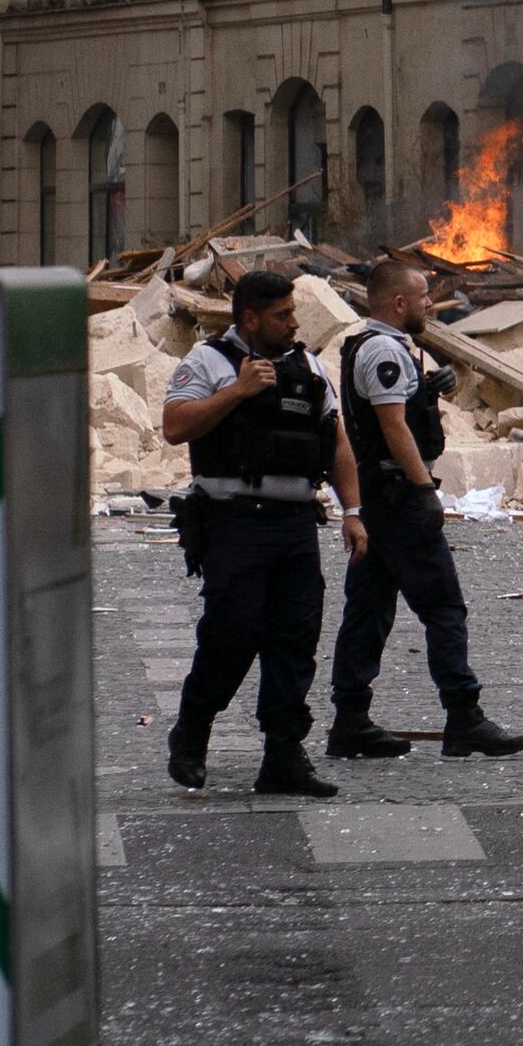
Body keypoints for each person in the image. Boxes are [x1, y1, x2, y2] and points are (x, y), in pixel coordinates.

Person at [164, 265, 360, 797]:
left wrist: (353, 510)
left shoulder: (310, 368)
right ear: (250, 318)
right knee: (233, 633)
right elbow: (175, 425)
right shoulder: (208, 362)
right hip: (234, 523)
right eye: (282, 314)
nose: (294, 322)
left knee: (295, 640)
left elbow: (336, 442)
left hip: (296, 524)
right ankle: (193, 731)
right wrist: (238, 392)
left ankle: (283, 756)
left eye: (293, 311)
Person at [326, 255, 523, 761]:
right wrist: (423, 490)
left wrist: (431, 389)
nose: (429, 304)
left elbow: (398, 410)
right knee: (444, 608)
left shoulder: (379, 347)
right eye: (422, 297)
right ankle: (464, 717)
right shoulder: (384, 351)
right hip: (397, 500)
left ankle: (349, 720)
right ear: (398, 303)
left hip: (377, 499)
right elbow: (393, 426)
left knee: (367, 612)